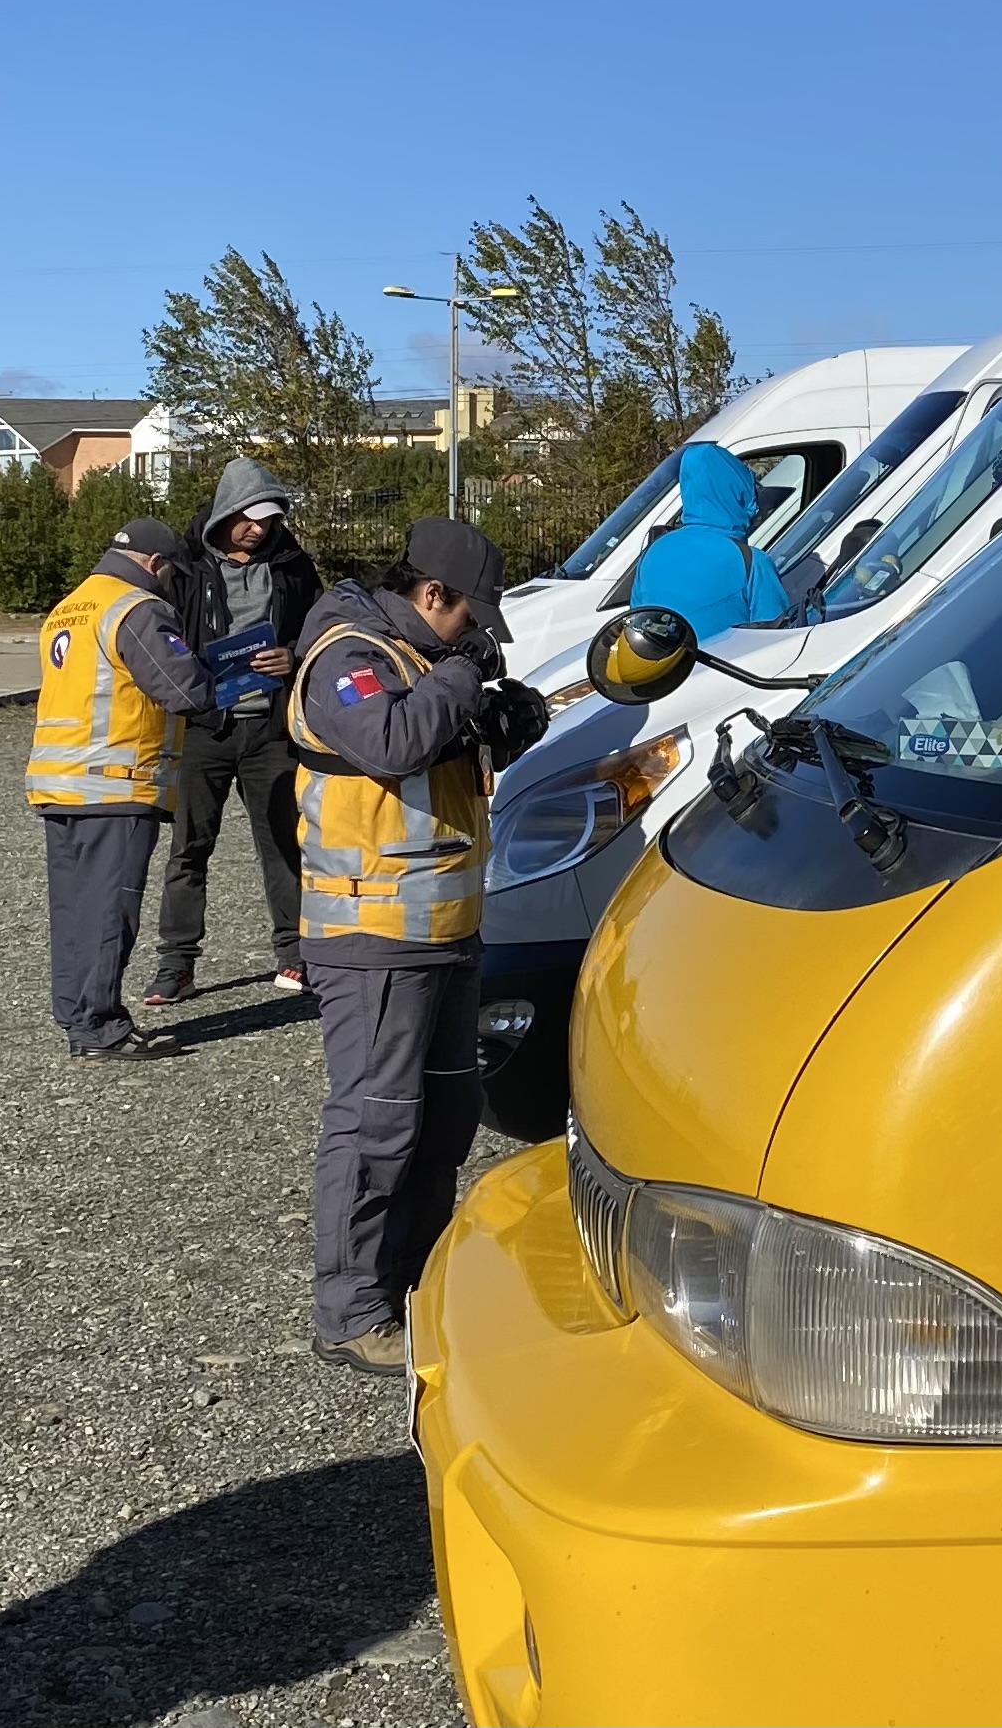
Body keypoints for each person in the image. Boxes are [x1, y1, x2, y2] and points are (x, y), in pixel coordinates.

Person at [290, 517, 548, 1375]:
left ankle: (417, 1284)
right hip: (373, 937)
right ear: (430, 593)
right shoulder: (346, 656)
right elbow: (389, 740)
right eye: (467, 619)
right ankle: (351, 1309)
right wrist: (464, 680)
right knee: (376, 1125)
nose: (475, 638)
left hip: (442, 933)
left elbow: (438, 756)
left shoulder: (424, 664)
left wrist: (505, 720)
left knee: (443, 1119)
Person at [25, 517, 214, 1062]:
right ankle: (101, 1028)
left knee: (75, 911)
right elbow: (183, 688)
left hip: (61, 783)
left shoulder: (71, 605)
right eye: (173, 572)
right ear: (156, 564)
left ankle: (78, 1018)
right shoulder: (137, 609)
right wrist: (224, 672)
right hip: (115, 784)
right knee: (111, 910)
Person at [145, 457, 323, 1006]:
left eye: (268, 518)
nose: (259, 528)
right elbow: (162, 633)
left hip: (270, 731)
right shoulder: (187, 565)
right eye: (249, 517)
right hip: (205, 728)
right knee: (189, 848)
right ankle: (176, 965)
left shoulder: (294, 567)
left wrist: (293, 658)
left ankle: (295, 957)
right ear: (226, 512)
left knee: (282, 845)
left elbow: (322, 632)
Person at [627, 441, 793, 637]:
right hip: (726, 666)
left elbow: (635, 622)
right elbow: (779, 639)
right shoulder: (751, 561)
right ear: (741, 493)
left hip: (664, 664)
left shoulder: (653, 552)